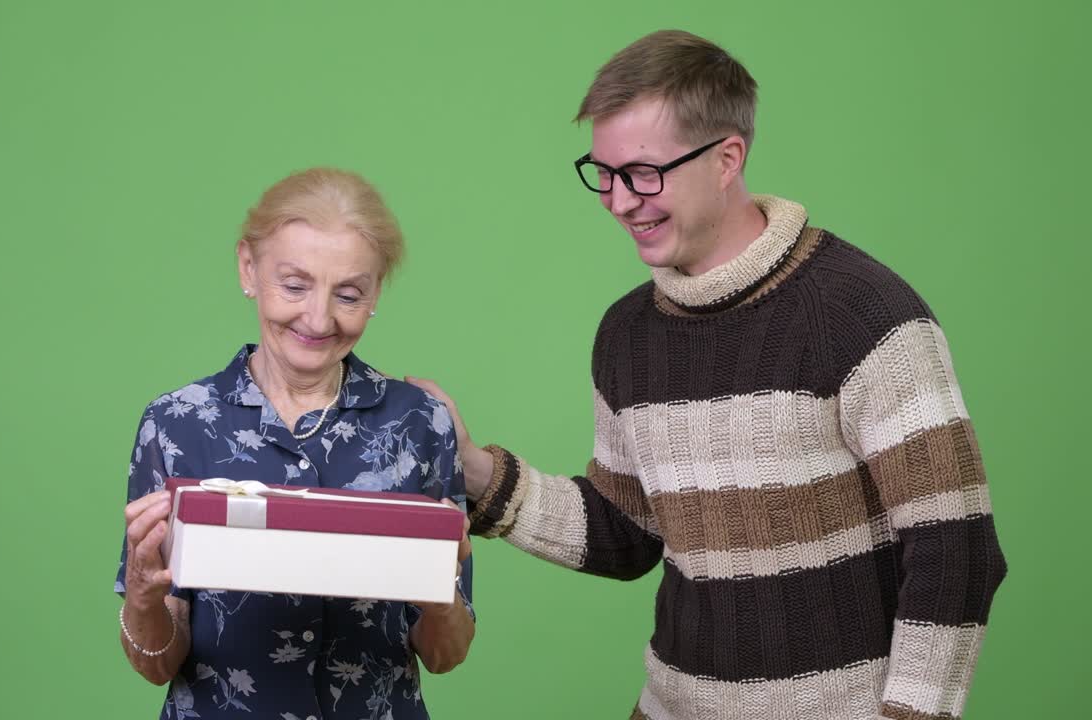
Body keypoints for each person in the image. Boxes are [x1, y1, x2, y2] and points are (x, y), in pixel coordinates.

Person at [409, 30, 1006, 720]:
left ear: (727, 158)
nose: (618, 200)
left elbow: (956, 546)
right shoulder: (627, 333)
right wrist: (472, 467)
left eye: (642, 172)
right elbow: (626, 531)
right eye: (602, 173)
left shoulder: (862, 314)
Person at [116, 167, 474, 720]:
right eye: (295, 284)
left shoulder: (422, 423)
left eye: (349, 293)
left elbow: (446, 654)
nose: (318, 317)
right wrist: (143, 597)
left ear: (376, 292)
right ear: (248, 268)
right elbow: (157, 663)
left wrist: (438, 587)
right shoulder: (176, 423)